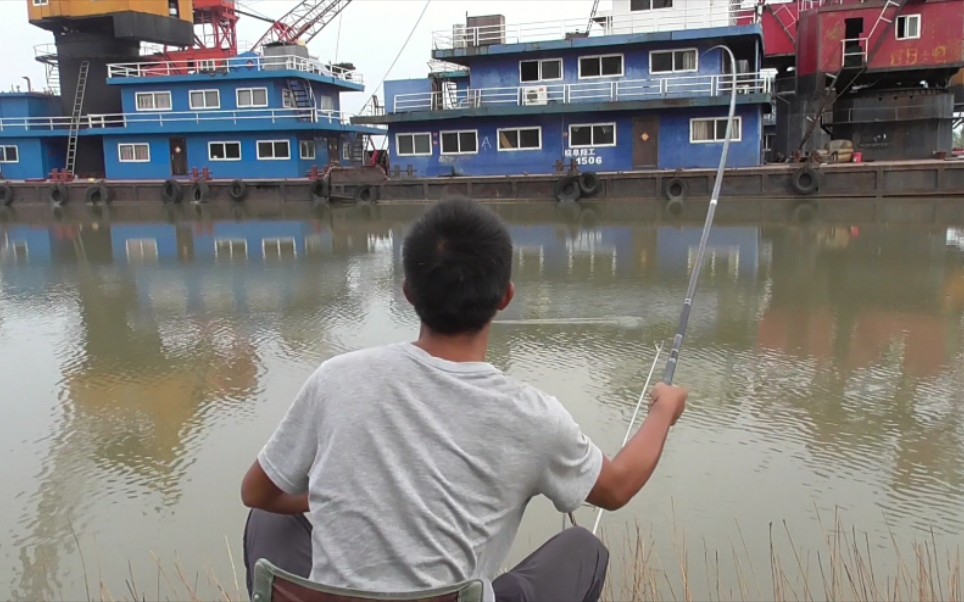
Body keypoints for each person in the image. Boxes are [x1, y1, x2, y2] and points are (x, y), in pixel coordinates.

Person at [240, 197, 688, 602]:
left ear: (409, 293)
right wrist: (663, 410)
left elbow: (257, 492)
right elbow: (617, 488)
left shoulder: (336, 378)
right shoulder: (532, 415)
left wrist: (343, 495)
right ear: (506, 296)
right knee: (582, 549)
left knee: (269, 518)